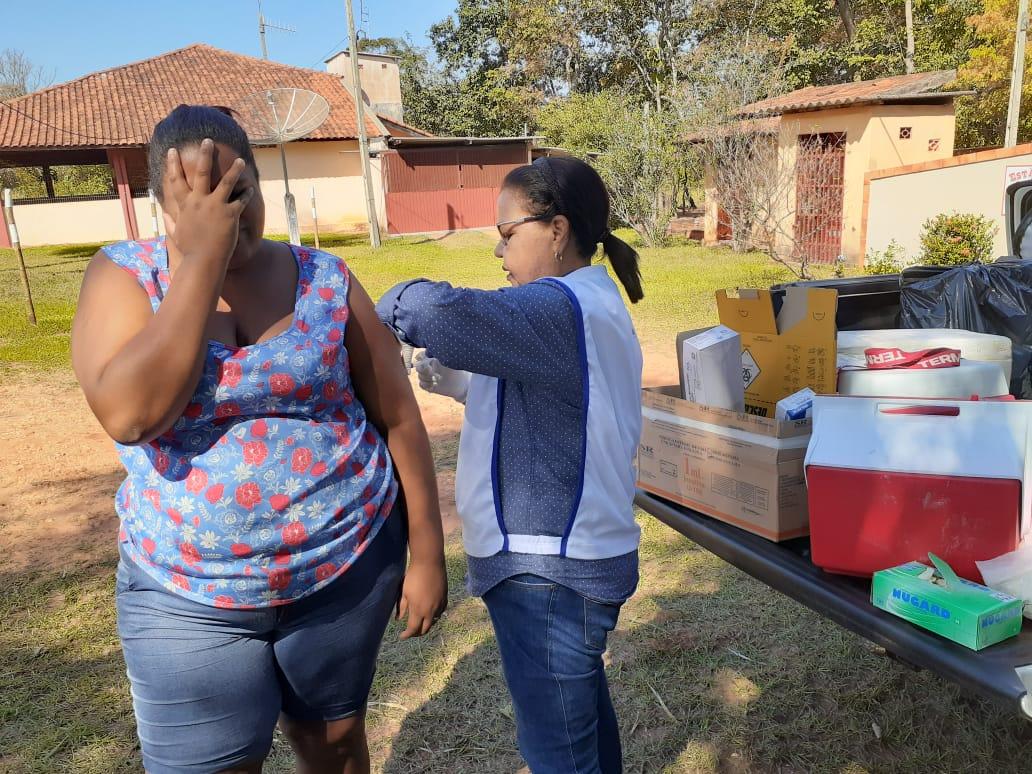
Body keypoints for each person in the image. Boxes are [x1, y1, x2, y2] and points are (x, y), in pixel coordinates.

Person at [71, 104, 447, 774]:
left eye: (239, 195)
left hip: (342, 572)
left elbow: (399, 416)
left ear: (261, 188)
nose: (230, 215)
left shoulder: (325, 278)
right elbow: (131, 415)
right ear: (164, 206)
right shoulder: (124, 276)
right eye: (202, 200)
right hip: (187, 595)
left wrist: (427, 556)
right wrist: (202, 261)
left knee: (331, 745)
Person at [376, 156, 644, 774]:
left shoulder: (559, 307)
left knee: (558, 754)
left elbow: (433, 313)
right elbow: (541, 394)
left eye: (506, 233)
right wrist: (455, 376)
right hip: (562, 563)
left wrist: (381, 301)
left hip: (548, 569)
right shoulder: (583, 301)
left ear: (555, 230)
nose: (498, 251)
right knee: (579, 733)